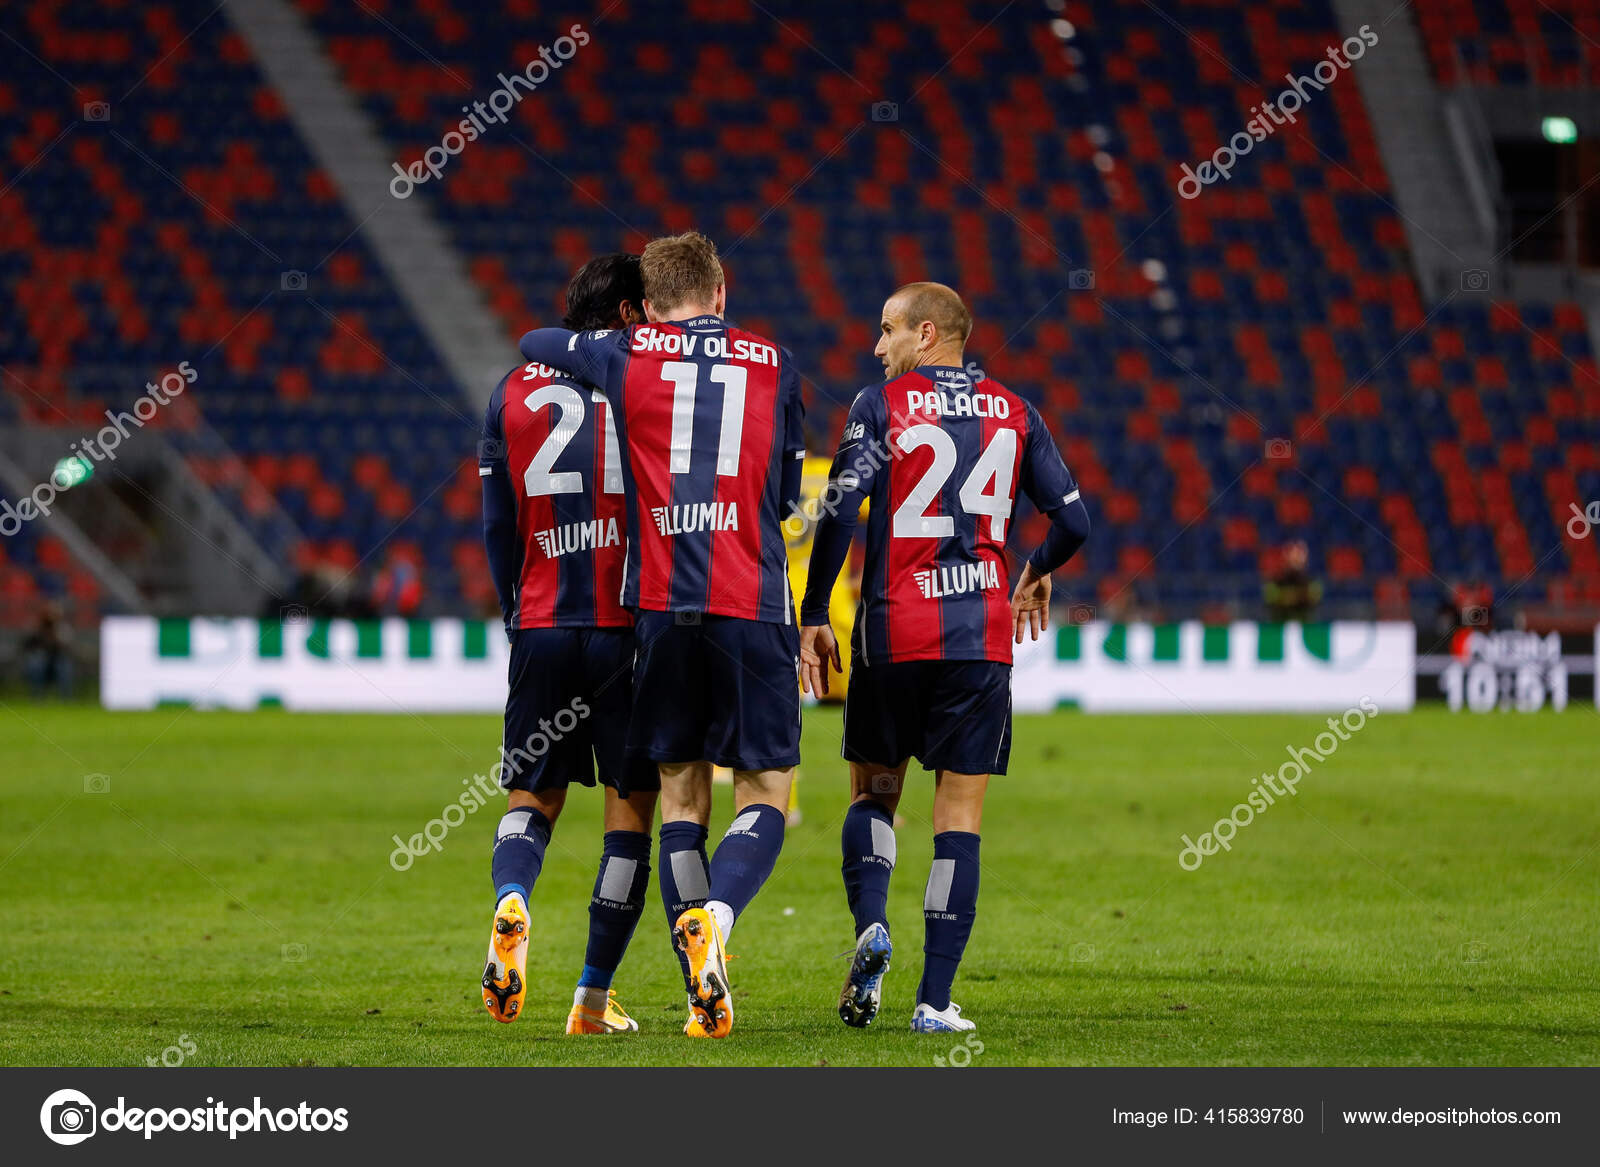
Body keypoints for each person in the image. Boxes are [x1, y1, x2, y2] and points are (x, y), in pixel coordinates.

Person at [518, 232, 806, 1038]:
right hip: (750, 599)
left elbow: (534, 341)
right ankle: (716, 915)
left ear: (648, 307)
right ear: (722, 291)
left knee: (680, 790)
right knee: (768, 785)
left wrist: (618, 340)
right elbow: (784, 494)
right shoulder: (773, 361)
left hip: (662, 607)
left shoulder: (627, 355)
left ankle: (698, 993)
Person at [799, 282, 1090, 1033]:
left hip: (895, 634)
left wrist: (813, 613)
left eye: (888, 328)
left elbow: (841, 509)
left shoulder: (880, 405)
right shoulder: (1016, 411)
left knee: (873, 796)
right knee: (958, 818)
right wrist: (1033, 570)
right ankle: (933, 1002)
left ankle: (872, 925)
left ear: (928, 334)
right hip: (979, 640)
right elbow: (1074, 520)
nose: (877, 345)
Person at [478, 252, 662, 1035]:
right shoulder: (651, 382)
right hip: (628, 628)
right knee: (633, 809)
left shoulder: (510, 392)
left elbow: (496, 525)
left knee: (532, 796)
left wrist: (516, 609)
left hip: (544, 621)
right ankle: (591, 997)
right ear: (627, 313)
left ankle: (512, 900)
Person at [1263, 540, 1321, 623]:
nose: (1295, 559)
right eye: (1291, 555)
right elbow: (1270, 600)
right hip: (1279, 626)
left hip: (1306, 626)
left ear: (1305, 558)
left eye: (1298, 555)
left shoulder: (1312, 581)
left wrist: (1288, 598)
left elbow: (1314, 600)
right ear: (1285, 557)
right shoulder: (1275, 581)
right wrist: (1298, 597)